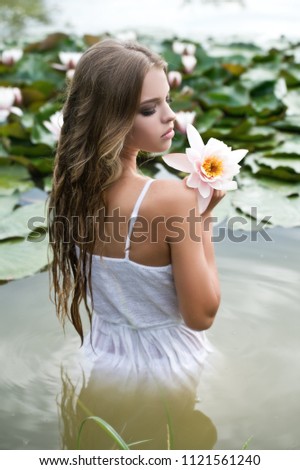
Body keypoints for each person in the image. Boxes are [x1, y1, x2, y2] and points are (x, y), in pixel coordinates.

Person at [49, 38, 223, 449]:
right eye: (149, 109)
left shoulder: (71, 191)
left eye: (167, 101)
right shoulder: (171, 199)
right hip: (168, 367)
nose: (171, 118)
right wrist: (203, 217)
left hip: (103, 358)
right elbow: (202, 314)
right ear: (111, 119)